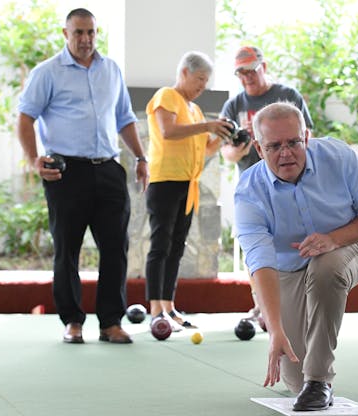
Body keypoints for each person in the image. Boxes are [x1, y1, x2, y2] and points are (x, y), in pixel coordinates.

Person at [234, 102, 358, 411]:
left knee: (325, 270)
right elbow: (260, 262)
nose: (286, 153)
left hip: (346, 247)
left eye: (293, 142)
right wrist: (275, 329)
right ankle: (306, 379)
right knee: (293, 377)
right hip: (287, 268)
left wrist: (333, 239)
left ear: (306, 136)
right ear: (257, 146)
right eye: (274, 146)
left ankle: (319, 381)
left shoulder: (340, 158)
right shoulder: (249, 191)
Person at [17, 8, 148, 344]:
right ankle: (72, 321)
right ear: (65, 33)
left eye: (90, 32)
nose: (86, 39)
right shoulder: (47, 72)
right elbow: (26, 118)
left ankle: (110, 323)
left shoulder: (111, 70)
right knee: (67, 249)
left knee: (116, 248)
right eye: (78, 33)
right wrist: (35, 160)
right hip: (66, 173)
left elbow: (124, 118)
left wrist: (141, 157)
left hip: (108, 169)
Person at [221, 46, 314, 329]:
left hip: (291, 186)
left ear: (264, 66)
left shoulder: (288, 96)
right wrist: (240, 150)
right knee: (256, 248)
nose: (246, 77)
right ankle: (262, 306)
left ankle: (296, 303)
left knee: (293, 244)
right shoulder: (234, 105)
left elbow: (308, 136)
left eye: (251, 70)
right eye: (240, 73)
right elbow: (225, 152)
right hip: (254, 190)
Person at [144, 51, 233, 330]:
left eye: (206, 82)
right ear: (184, 72)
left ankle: (169, 308)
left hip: (187, 184)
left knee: (176, 247)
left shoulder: (193, 109)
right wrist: (208, 125)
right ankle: (155, 310)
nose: (201, 87)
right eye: (199, 80)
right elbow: (168, 131)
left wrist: (222, 137)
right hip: (165, 181)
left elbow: (205, 148)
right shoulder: (166, 96)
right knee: (160, 244)